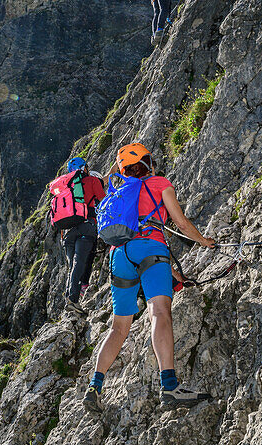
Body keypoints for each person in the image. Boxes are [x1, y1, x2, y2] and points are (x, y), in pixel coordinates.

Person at [83, 143, 214, 411]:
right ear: (147, 162)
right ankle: (169, 385)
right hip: (150, 247)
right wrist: (202, 241)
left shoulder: (117, 190)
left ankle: (95, 386)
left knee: (119, 328)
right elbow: (180, 223)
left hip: (119, 256)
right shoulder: (159, 183)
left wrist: (175, 277)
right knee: (159, 313)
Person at [59, 157, 105, 316]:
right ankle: (73, 300)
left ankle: (70, 300)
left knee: (72, 266)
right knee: (80, 262)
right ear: (85, 168)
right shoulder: (92, 180)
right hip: (87, 226)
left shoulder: (66, 186)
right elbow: (103, 201)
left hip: (68, 231)